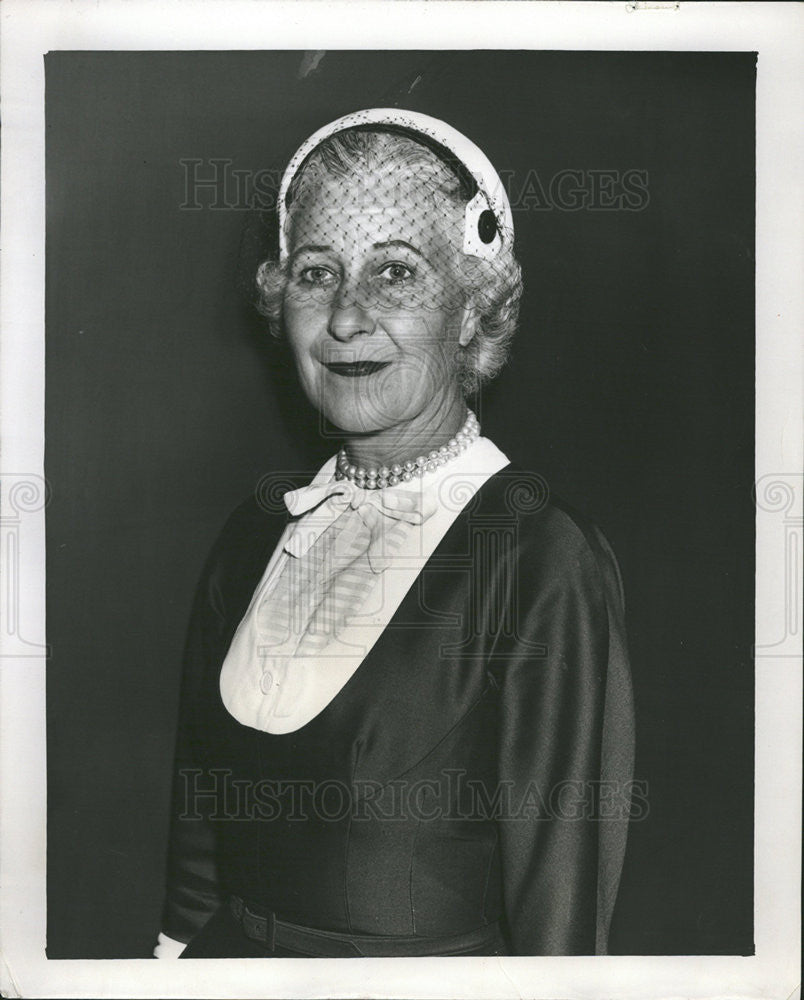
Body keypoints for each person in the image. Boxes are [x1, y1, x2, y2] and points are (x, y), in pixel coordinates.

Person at [155, 108, 635, 959]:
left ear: (469, 310)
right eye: (316, 272)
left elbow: (560, 913)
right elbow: (197, 853)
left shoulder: (537, 559)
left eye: (396, 275)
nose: (346, 317)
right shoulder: (255, 535)